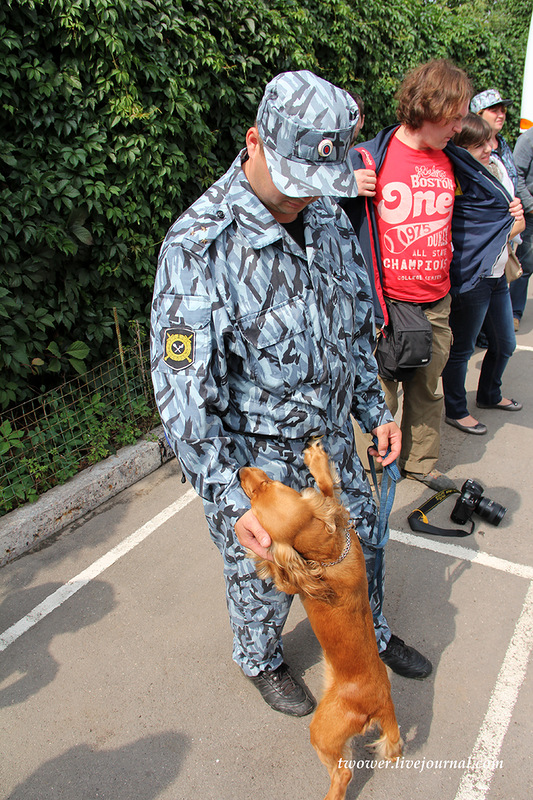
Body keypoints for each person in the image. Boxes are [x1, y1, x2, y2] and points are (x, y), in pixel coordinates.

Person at [150, 71, 433, 719]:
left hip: (334, 443)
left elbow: (352, 321)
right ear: (254, 141)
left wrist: (373, 410)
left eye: (317, 188)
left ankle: (369, 634)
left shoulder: (325, 216)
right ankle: (259, 657)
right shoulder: (198, 248)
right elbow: (183, 397)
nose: (304, 201)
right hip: (259, 471)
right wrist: (226, 499)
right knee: (264, 583)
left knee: (362, 551)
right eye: (294, 186)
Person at [344, 59, 472, 492]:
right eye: (454, 116)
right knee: (381, 393)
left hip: (437, 300)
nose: (459, 126)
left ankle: (421, 462)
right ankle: (373, 467)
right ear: (431, 107)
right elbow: (322, 217)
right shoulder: (369, 157)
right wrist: (345, 187)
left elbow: (473, 216)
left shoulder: (454, 160)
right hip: (387, 307)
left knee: (428, 387)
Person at [441, 113, 525, 435]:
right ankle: (456, 409)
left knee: (505, 343)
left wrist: (512, 220)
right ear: (462, 149)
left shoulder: (495, 173)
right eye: (480, 144)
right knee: (462, 349)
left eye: (490, 141)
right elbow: (478, 231)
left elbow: (510, 222)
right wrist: (509, 225)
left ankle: (489, 394)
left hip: (498, 274)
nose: (491, 147)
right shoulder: (458, 183)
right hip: (473, 276)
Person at [470, 89, 518, 189]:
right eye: (494, 111)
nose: (501, 115)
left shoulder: (503, 144)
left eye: (503, 110)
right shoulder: (470, 147)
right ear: (479, 114)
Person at [510, 126, 533, 330]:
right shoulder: (528, 139)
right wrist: (531, 207)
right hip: (532, 215)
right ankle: (514, 313)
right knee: (525, 264)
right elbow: (517, 175)